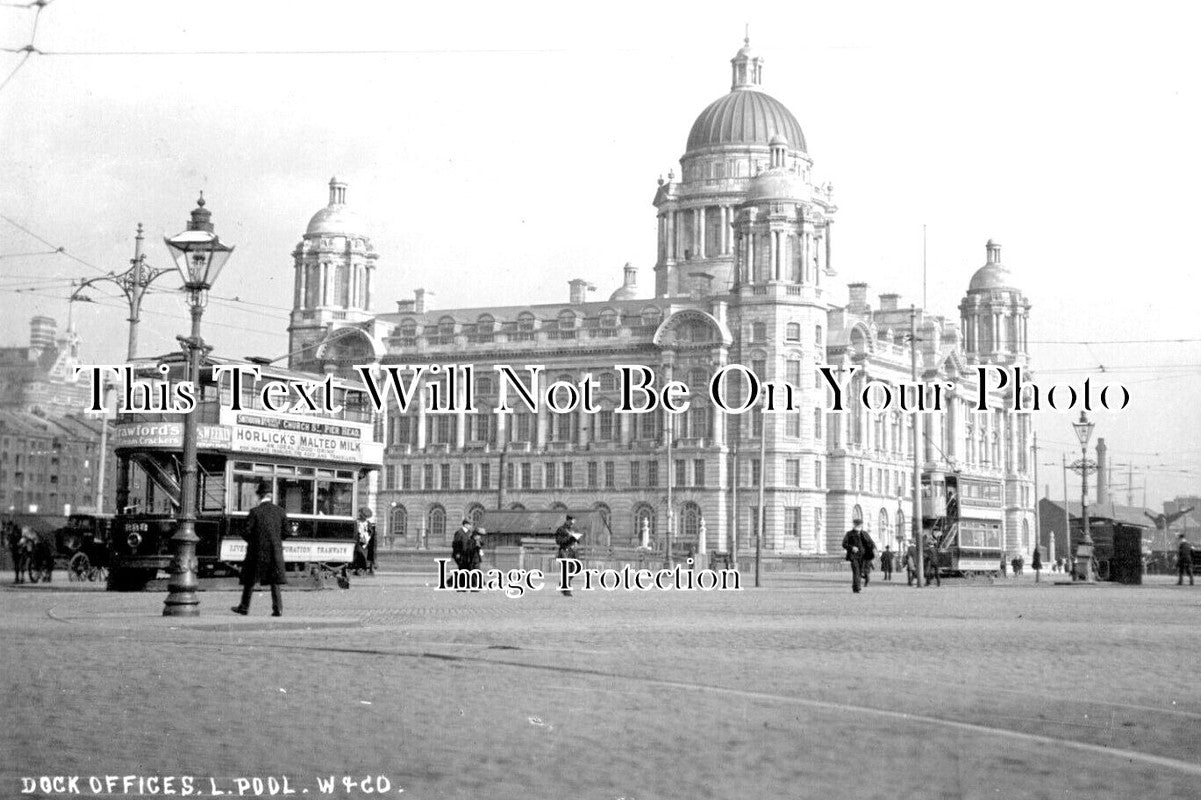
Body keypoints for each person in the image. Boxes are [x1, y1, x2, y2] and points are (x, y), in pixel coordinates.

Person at [232, 480, 288, 617]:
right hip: (275, 551)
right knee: (274, 581)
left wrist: (253, 541)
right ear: (270, 495)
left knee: (250, 580)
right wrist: (275, 540)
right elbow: (286, 533)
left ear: (259, 496)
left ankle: (244, 607)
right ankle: (278, 609)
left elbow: (246, 532)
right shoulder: (280, 512)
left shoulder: (254, 512)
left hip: (257, 552)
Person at [555, 515, 581, 596]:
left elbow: (577, 541)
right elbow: (558, 541)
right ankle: (567, 590)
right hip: (564, 552)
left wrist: (576, 538)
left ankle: (562, 583)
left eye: (573, 522)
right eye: (571, 522)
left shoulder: (573, 530)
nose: (572, 523)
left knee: (575, 570)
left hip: (573, 552)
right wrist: (569, 538)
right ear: (567, 521)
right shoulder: (561, 529)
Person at [841, 518, 867, 593]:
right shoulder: (849, 534)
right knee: (856, 571)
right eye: (857, 524)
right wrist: (852, 548)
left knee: (860, 572)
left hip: (862, 556)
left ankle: (855, 586)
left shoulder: (864, 534)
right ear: (854, 525)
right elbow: (844, 544)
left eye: (860, 524)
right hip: (853, 556)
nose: (859, 526)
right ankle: (857, 587)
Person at [354, 508, 375, 575]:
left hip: (364, 542)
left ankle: (362, 568)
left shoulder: (368, 524)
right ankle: (359, 568)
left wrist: (365, 538)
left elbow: (370, 533)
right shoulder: (356, 522)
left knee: (362, 553)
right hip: (356, 541)